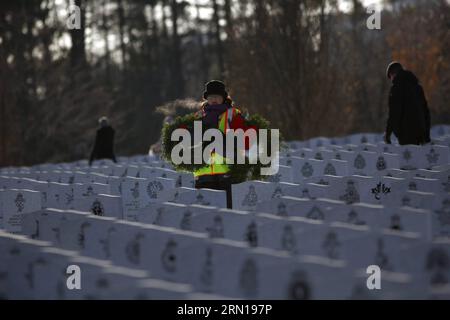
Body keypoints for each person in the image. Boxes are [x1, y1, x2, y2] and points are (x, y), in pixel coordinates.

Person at [193, 80, 256, 209]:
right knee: (206, 210)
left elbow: (246, 139)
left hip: (228, 171)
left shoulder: (233, 114)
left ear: (224, 98)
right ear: (206, 99)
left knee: (229, 208)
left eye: (217, 96)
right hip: (204, 173)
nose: (214, 99)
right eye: (211, 97)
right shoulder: (199, 116)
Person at [384, 61, 431, 145]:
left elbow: (394, 113)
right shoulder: (417, 87)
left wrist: (388, 134)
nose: (391, 80)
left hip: (406, 134)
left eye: (390, 77)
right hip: (421, 133)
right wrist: (426, 133)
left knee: (408, 157)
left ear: (393, 74)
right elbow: (425, 111)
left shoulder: (396, 89)